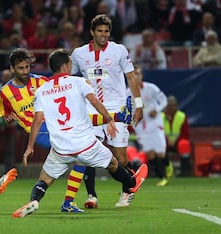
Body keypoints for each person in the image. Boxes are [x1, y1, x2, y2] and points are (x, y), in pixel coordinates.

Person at [11, 49, 148, 218]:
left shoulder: (41, 91)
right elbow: (94, 101)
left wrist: (30, 147)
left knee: (44, 179)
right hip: (86, 145)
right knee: (113, 163)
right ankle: (132, 183)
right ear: (66, 65)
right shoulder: (78, 82)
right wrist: (110, 119)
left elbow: (37, 120)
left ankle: (35, 200)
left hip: (61, 148)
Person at [70, 14, 144, 208]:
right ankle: (92, 196)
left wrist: (139, 105)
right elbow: (68, 78)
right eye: (100, 31)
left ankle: (128, 188)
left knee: (120, 157)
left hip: (116, 109)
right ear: (91, 32)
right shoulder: (78, 54)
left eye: (107, 31)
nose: (103, 35)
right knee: (87, 153)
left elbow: (131, 76)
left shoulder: (119, 50)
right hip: (90, 110)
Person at [128, 65, 168, 186]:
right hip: (140, 127)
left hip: (155, 123)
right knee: (150, 153)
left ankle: (167, 165)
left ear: (142, 75)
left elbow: (164, 100)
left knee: (160, 152)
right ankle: (163, 176)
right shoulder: (127, 92)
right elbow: (127, 108)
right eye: (134, 74)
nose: (137, 76)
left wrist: (158, 109)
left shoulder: (151, 88)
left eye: (138, 73)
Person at [162, 95, 192, 177]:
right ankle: (162, 172)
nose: (171, 107)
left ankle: (184, 172)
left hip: (178, 140)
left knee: (184, 144)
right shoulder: (161, 116)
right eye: (169, 105)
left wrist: (175, 140)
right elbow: (158, 132)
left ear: (177, 106)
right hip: (165, 141)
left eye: (173, 105)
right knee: (160, 146)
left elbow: (185, 133)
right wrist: (167, 139)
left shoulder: (182, 116)